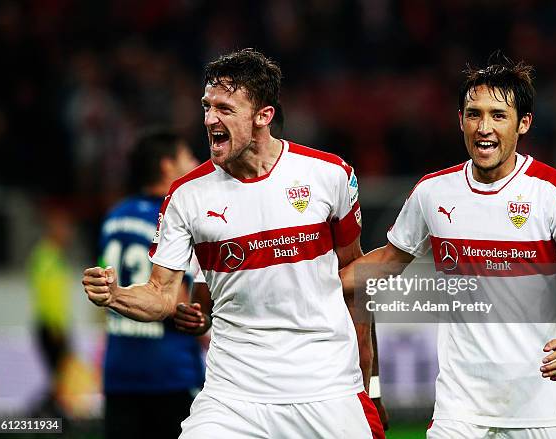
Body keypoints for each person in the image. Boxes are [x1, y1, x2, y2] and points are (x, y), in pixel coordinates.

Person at [83, 48, 385, 439]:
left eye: (225, 108)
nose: (210, 119)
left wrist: (369, 379)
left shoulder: (329, 175)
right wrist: (116, 295)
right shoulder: (186, 196)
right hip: (234, 397)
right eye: (207, 106)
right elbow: (161, 295)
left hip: (325, 387)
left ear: (263, 116)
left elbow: (354, 280)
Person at [342, 53, 556, 438]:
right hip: (460, 413)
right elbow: (387, 262)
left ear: (523, 123)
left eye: (498, 115)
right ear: (460, 119)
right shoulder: (433, 192)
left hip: (542, 409)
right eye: (473, 113)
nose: (484, 127)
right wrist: (307, 278)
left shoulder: (554, 191)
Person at [98, 128, 205, 439]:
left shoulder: (114, 217)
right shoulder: (172, 216)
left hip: (119, 371)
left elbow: (108, 286)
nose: (196, 163)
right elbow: (179, 303)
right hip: (168, 373)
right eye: (188, 156)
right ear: (166, 166)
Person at [27, 202, 74, 417]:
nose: (67, 233)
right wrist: (56, 327)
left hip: (55, 324)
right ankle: (43, 413)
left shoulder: (54, 256)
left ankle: (50, 412)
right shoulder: (46, 257)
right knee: (58, 373)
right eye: (63, 228)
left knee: (59, 374)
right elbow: (46, 295)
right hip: (50, 326)